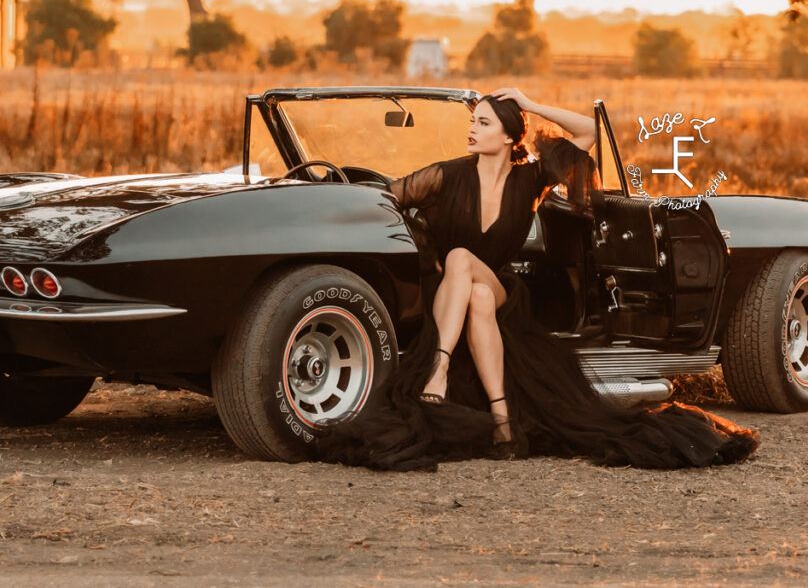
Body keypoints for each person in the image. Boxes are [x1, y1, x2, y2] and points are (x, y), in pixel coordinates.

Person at [315, 88, 759, 471]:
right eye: (472, 121)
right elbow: (381, 200)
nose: (472, 129)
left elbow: (587, 131)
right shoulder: (447, 174)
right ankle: (503, 417)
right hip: (448, 293)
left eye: (483, 122)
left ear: (508, 136)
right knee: (469, 285)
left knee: (465, 261)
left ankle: (439, 368)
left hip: (504, 286)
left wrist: (529, 102)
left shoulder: (531, 178)